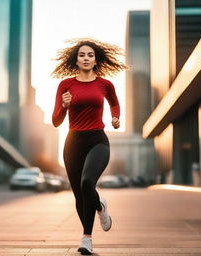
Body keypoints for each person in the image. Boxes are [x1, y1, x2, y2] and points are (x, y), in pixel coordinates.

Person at [52, 38, 127, 255]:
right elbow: (56, 121)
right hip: (73, 142)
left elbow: (114, 102)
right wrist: (65, 106)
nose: (86, 58)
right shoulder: (65, 85)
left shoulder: (105, 84)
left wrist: (115, 117)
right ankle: (99, 206)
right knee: (79, 195)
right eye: (82, 55)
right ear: (76, 60)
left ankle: (86, 238)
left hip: (98, 140)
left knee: (87, 182)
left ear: (96, 60)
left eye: (90, 55)